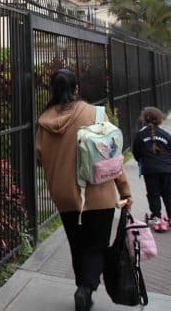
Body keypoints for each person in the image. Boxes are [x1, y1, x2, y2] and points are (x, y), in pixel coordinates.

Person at [36, 69, 132, 311]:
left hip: (66, 196)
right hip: (98, 194)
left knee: (77, 245)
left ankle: (83, 289)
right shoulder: (95, 114)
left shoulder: (44, 121)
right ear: (76, 88)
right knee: (96, 245)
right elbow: (112, 156)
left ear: (53, 90)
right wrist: (125, 191)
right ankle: (85, 289)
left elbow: (39, 158)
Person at [132, 106, 171, 230]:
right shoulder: (166, 135)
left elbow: (136, 152)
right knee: (168, 193)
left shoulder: (140, 135)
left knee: (153, 193)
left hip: (150, 169)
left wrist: (141, 162)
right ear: (160, 119)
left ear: (144, 119)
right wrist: (168, 164)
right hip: (167, 169)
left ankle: (156, 216)